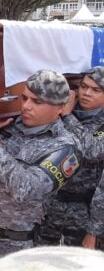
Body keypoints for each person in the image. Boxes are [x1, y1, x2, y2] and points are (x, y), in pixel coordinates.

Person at [0, 70, 82, 270]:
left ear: (60, 107)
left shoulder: (66, 149)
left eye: (37, 102)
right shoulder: (5, 124)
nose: (26, 106)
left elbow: (26, 190)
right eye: (25, 98)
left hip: (12, 246)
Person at [43, 67, 104, 249]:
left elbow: (91, 149)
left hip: (82, 214)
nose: (86, 93)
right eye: (83, 87)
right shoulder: (58, 113)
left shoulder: (69, 115)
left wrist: (93, 231)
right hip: (48, 208)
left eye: (96, 90)